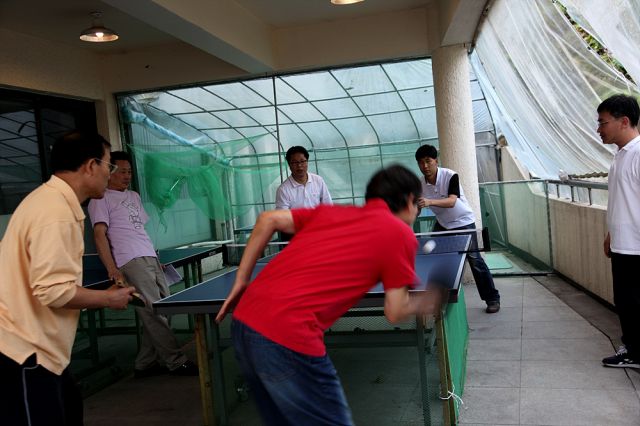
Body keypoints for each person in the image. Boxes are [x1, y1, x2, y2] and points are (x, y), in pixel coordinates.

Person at [216, 164, 443, 426]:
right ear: (409, 200)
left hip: (244, 324)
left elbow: (269, 219)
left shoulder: (334, 212)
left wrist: (241, 279)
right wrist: (427, 301)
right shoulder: (399, 232)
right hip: (287, 335)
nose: (416, 213)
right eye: (418, 206)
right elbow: (395, 311)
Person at [0, 131, 136, 426]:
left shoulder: (51, 202)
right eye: (109, 165)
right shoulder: (55, 212)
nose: (111, 173)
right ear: (90, 166)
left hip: (40, 350)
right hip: (25, 351)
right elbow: (52, 290)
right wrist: (108, 298)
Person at [88, 151, 198, 378]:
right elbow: (99, 235)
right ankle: (176, 361)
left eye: (129, 172)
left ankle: (145, 363)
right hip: (129, 259)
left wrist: (154, 255)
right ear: (109, 172)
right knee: (153, 311)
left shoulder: (134, 196)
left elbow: (139, 229)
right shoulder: (100, 198)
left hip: (149, 256)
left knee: (163, 309)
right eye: (122, 172)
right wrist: (112, 268)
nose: (127, 176)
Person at [414, 144, 501, 314]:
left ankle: (492, 299)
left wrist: (429, 202)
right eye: (421, 162)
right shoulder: (419, 184)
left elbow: (452, 201)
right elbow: (416, 208)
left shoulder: (450, 175)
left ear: (436, 161)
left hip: (463, 222)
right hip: (443, 224)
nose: (425, 166)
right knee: (432, 258)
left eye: (428, 161)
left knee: (475, 261)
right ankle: (433, 298)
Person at [597, 94, 640, 369]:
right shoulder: (621, 156)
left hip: (636, 246)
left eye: (603, 122)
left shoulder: (638, 154)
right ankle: (633, 350)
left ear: (624, 121)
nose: (599, 129)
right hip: (623, 244)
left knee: (634, 302)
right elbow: (623, 201)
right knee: (626, 302)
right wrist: (611, 234)